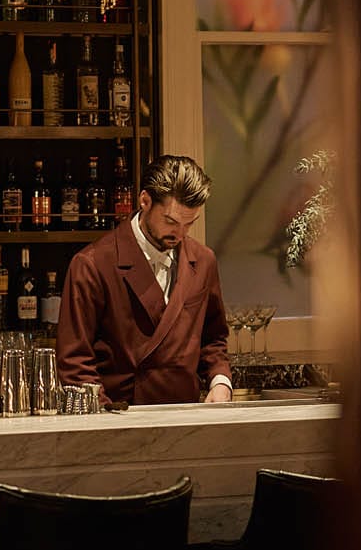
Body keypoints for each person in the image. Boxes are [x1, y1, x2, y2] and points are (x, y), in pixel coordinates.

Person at [55, 154, 233, 405]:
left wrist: (220, 382)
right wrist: (107, 416)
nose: (180, 234)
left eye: (189, 224)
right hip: (121, 415)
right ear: (145, 201)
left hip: (186, 416)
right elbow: (75, 363)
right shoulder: (92, 264)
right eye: (171, 221)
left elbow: (213, 340)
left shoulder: (204, 261)